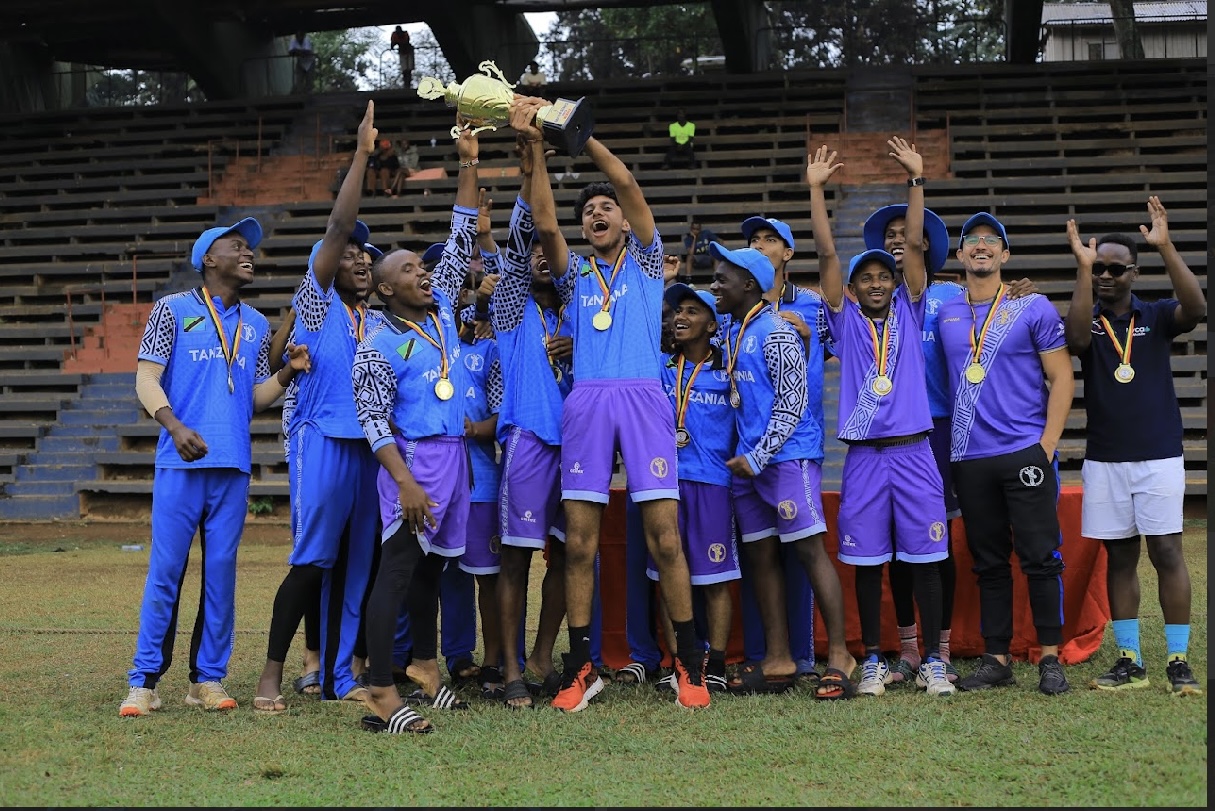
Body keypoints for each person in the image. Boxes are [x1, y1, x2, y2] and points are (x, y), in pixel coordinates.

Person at [524, 95, 711, 711]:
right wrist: (536, 151)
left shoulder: (650, 262)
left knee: (665, 539)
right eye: (591, 211)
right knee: (578, 542)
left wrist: (579, 139)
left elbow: (626, 182)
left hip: (642, 399)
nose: (599, 213)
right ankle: (582, 668)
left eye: (607, 209)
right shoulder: (575, 274)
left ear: (626, 224)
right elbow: (546, 224)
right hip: (586, 402)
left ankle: (689, 665)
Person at [118, 218, 310, 717]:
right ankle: (143, 681)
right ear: (209, 259)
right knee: (166, 572)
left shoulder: (257, 323)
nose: (248, 253)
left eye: (250, 249)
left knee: (220, 574)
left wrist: (288, 372)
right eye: (237, 247)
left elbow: (252, 398)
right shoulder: (171, 310)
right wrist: (174, 427)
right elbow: (146, 379)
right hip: (180, 465)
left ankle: (207, 679)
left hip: (233, 466)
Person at [351, 120, 483, 734]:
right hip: (414, 462)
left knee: (433, 569)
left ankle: (425, 668)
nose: (424, 273)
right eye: (409, 269)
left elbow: (458, 239)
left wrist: (468, 162)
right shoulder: (375, 345)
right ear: (384, 288)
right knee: (398, 568)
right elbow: (375, 422)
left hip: (455, 457)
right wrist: (404, 482)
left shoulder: (446, 319)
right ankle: (379, 688)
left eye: (423, 269)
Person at [251, 101, 383, 714]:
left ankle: (336, 674)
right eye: (351, 253)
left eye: (367, 256)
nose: (358, 258)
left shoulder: (376, 319)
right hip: (321, 439)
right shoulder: (317, 300)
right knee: (311, 562)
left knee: (358, 569)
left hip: (369, 449)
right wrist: (360, 155)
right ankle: (273, 675)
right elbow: (336, 228)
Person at [811, 140, 954, 698]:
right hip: (865, 458)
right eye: (864, 277)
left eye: (883, 276)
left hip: (916, 452)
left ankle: (934, 664)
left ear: (896, 284)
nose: (875, 282)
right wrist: (817, 190)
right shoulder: (845, 323)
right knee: (868, 562)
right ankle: (872, 659)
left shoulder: (913, 310)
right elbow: (826, 255)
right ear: (850, 289)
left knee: (926, 558)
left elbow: (914, 246)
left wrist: (916, 181)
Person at [1064, 197, 1205, 696]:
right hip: (1105, 459)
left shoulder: (1158, 315)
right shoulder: (1089, 315)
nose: (1105, 275)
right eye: (1098, 266)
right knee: (1120, 559)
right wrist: (1083, 271)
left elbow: (1197, 307)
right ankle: (1130, 661)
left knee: (1167, 551)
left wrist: (1166, 247)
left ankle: (1178, 660)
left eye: (1114, 268)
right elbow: (1076, 339)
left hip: (1159, 455)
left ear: (1134, 272)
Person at [708, 241, 855, 700]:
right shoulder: (731, 331)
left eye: (722, 279)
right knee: (762, 558)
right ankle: (778, 658)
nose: (714, 286)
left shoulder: (777, 332)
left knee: (810, 552)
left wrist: (760, 454)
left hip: (788, 457)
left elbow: (793, 404)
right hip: (748, 463)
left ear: (749, 284)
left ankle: (841, 656)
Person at [937, 211, 1075, 696]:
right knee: (989, 561)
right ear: (959, 256)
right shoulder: (946, 312)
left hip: (1025, 452)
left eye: (991, 240)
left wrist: (1046, 447)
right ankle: (997, 658)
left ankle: (1051, 657)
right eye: (971, 240)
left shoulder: (1031, 305)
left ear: (1005, 254)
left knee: (1041, 557)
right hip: (969, 456)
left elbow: (1062, 378)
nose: (981, 246)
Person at [737, 214, 822, 687]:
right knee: (761, 553)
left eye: (772, 239)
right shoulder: (735, 309)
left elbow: (842, 344)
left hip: (794, 445)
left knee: (803, 551)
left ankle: (812, 656)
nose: (763, 245)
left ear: (788, 253)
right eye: (755, 239)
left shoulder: (809, 304)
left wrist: (808, 338)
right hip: (748, 448)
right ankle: (769, 654)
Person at [648, 282, 741, 693]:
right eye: (677, 311)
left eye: (691, 311)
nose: (680, 318)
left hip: (714, 483)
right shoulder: (661, 370)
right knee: (664, 574)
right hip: (664, 482)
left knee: (716, 578)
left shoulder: (728, 372)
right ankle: (680, 662)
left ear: (712, 323)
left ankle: (716, 661)